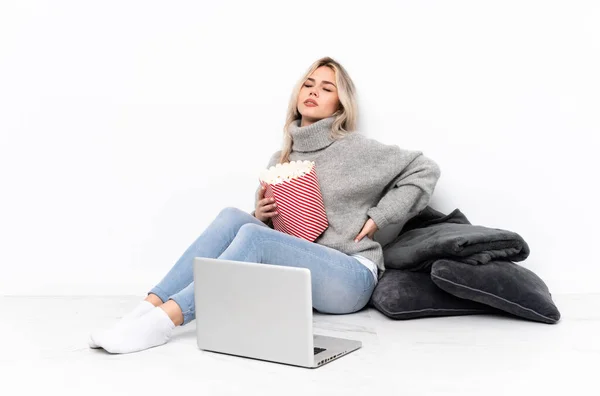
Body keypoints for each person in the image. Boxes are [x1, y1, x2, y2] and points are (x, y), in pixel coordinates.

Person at [89, 56, 441, 354]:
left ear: (340, 103)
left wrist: (381, 216)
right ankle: (146, 309)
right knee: (234, 218)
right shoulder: (282, 157)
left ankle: (166, 320)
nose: (314, 91)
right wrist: (263, 217)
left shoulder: (355, 149)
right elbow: (285, 241)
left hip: (350, 276)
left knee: (255, 238)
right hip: (302, 279)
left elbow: (425, 169)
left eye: (326, 88)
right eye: (308, 84)